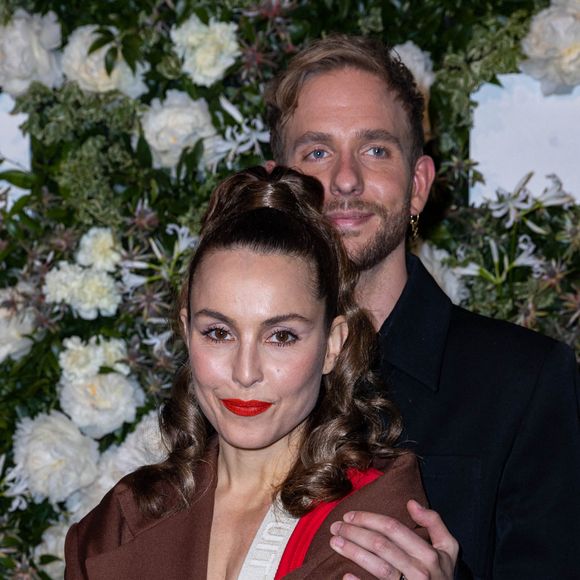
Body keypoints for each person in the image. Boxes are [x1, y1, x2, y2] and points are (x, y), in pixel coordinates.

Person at [264, 35, 580, 579]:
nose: (345, 179)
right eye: (317, 151)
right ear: (277, 188)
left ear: (417, 186)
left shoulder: (526, 384)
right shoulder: (234, 378)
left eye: (375, 149)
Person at [64, 166, 430, 579]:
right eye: (219, 333)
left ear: (332, 344)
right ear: (187, 332)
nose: (245, 372)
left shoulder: (376, 514)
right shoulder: (123, 519)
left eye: (281, 337)